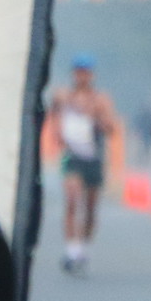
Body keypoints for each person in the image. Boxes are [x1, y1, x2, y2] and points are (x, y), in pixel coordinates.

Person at [44, 56, 120, 275]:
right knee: (72, 199)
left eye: (86, 73)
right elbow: (53, 112)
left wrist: (95, 115)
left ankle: (83, 245)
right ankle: (72, 249)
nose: (82, 77)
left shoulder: (100, 99)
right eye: (78, 72)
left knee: (90, 208)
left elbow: (111, 129)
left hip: (93, 158)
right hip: (72, 156)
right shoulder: (64, 96)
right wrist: (58, 130)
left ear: (92, 75)